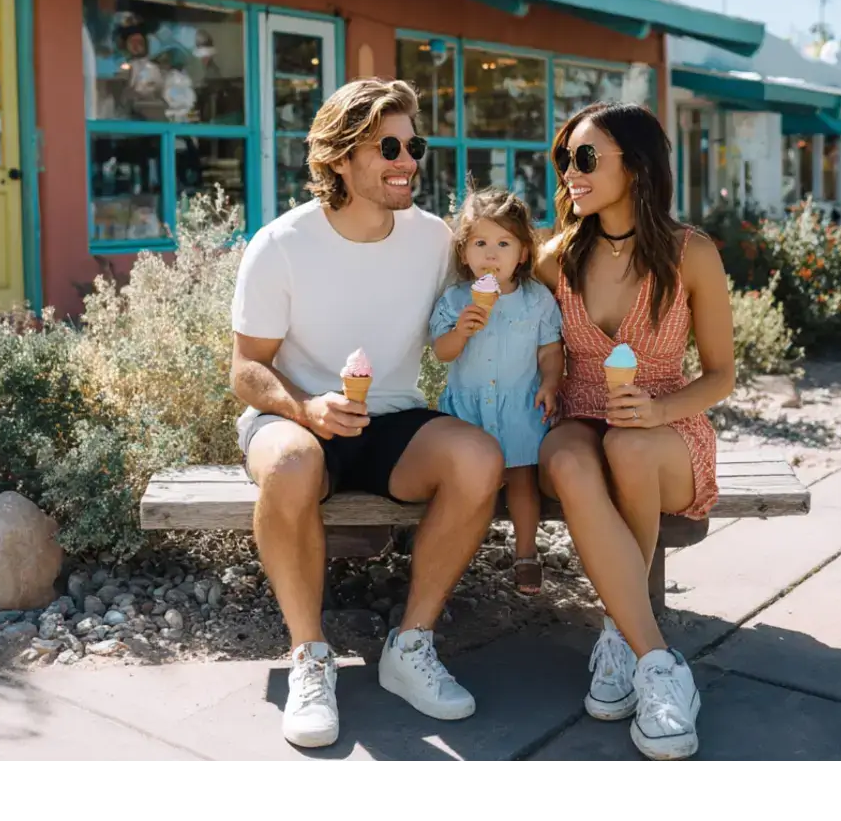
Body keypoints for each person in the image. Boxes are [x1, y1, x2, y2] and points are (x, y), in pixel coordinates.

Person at [229, 78, 506, 750]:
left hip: (393, 419)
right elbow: (245, 371)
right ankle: (309, 657)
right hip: (295, 419)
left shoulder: (432, 239)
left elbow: (506, 265)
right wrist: (304, 407)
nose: (408, 161)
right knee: (291, 463)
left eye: (415, 146)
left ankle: (410, 647)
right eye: (389, 147)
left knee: (479, 459)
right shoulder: (281, 243)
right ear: (339, 156)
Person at [535, 102, 736, 762]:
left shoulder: (691, 253)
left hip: (665, 429)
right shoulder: (555, 258)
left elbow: (721, 375)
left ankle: (620, 637)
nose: (571, 172)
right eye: (564, 159)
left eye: (586, 157)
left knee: (626, 444)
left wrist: (656, 410)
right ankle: (654, 659)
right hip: (576, 417)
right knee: (570, 459)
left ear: (638, 166)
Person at [429, 188, 564, 595]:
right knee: (473, 484)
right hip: (467, 412)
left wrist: (551, 383)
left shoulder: (536, 300)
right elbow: (441, 352)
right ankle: (464, 552)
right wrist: (460, 332)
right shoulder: (455, 299)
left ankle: (526, 552)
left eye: (504, 244)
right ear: (464, 252)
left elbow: (550, 350)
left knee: (522, 479)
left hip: (519, 406)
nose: (491, 255)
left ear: (523, 253)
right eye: (480, 244)